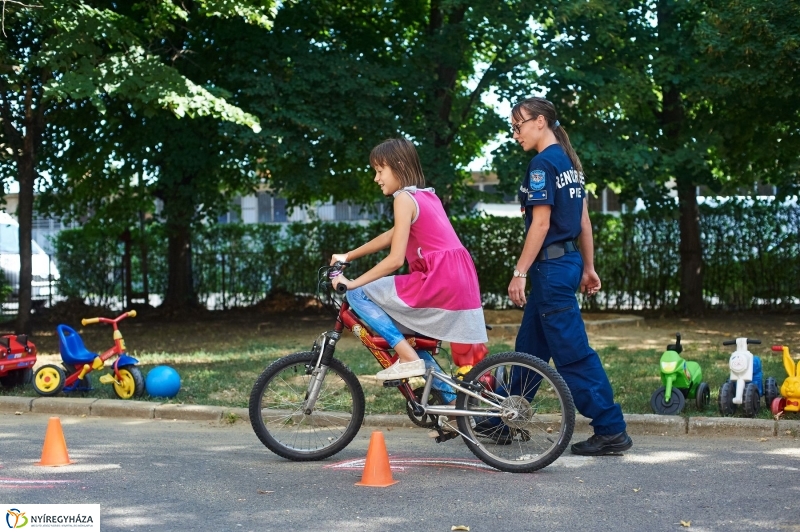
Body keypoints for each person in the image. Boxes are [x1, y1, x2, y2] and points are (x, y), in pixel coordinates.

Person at [507, 97, 632, 456]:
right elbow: (583, 222)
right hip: (566, 265)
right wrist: (588, 267)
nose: (516, 134)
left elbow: (542, 223)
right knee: (528, 349)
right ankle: (502, 420)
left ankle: (610, 429)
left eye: (519, 125)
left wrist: (520, 272)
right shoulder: (569, 166)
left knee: (573, 354)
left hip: (551, 270)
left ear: (541, 121)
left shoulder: (542, 163)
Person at [330, 138, 487, 389]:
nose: (376, 178)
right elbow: (391, 235)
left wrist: (350, 284)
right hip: (458, 281)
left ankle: (408, 357)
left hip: (438, 280)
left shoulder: (403, 198)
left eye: (380, 171)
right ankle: (449, 409)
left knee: (359, 295)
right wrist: (348, 256)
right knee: (406, 336)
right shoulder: (425, 196)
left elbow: (395, 260)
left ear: (399, 166)